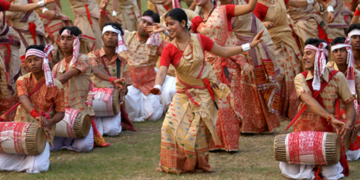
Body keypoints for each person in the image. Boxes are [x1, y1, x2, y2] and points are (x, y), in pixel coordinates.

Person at [153, 8, 263, 174]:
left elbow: (224, 51)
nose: (168, 28)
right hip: (183, 94)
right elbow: (162, 71)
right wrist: (158, 86)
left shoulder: (200, 40)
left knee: (198, 133)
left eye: (171, 24)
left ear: (183, 23)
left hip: (204, 94)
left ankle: (197, 165)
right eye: (166, 25)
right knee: (168, 127)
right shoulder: (169, 48)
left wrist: (249, 46)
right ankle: (172, 164)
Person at [192, 0, 279, 152]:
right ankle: (212, 142)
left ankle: (229, 143)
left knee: (228, 102)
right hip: (206, 65)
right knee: (209, 102)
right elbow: (187, 39)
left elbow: (250, 7)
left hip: (227, 62)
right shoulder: (197, 20)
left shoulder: (224, 10)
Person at [280, 38, 356, 179]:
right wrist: (330, 118)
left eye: (308, 53)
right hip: (304, 135)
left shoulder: (338, 77)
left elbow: (350, 104)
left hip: (327, 137)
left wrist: (349, 125)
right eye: (304, 54)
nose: (304, 57)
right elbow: (308, 100)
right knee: (296, 171)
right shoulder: (300, 78)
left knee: (330, 173)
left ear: (320, 55)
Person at [99, 1, 170, 122]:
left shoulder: (156, 42)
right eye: (143, 21)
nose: (144, 25)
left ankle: (158, 99)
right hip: (129, 84)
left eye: (149, 24)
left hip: (149, 83)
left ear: (155, 27)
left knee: (154, 116)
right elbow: (106, 30)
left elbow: (176, 50)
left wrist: (165, 31)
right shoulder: (125, 36)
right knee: (132, 114)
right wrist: (102, 12)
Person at [0, 44, 64, 173]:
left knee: (38, 168)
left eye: (36, 59)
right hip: (21, 128)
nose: (33, 63)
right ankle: (26, 163)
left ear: (44, 60)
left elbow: (61, 112)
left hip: (42, 131)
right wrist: (35, 115)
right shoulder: (22, 80)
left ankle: (28, 162)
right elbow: (23, 98)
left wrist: (50, 122)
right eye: (29, 61)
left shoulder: (56, 85)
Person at [253, 0, 315, 120]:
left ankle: (295, 108)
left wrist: (312, 0)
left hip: (288, 40)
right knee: (279, 74)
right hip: (273, 42)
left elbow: (297, 3)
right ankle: (277, 111)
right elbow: (253, 23)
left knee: (296, 69)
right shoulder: (258, 5)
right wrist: (263, 24)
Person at [52, 26, 109, 153]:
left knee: (84, 147)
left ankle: (69, 140)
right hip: (62, 115)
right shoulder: (56, 67)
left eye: (69, 39)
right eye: (62, 39)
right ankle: (67, 140)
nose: (64, 42)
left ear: (77, 41)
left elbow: (66, 76)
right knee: (51, 146)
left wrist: (47, 84)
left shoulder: (83, 59)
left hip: (81, 114)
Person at [88, 22, 135, 135]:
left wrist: (124, 90)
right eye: (107, 34)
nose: (110, 37)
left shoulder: (123, 61)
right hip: (94, 100)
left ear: (119, 38)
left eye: (114, 34)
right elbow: (95, 70)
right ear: (102, 37)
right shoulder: (93, 55)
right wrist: (112, 80)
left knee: (112, 131)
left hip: (112, 102)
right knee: (98, 131)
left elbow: (127, 87)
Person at [327, 37, 360, 161]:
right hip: (330, 110)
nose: (339, 54)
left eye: (342, 50)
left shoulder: (356, 75)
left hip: (350, 111)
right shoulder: (326, 71)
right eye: (335, 51)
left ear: (348, 52)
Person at [5, 0, 56, 73]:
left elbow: (26, 7)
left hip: (34, 27)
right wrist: (45, 4)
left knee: (41, 53)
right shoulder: (4, 5)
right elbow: (21, 9)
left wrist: (45, 9)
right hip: (20, 32)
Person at [32, 0, 73, 66]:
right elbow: (36, 2)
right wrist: (45, 11)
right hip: (43, 21)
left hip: (57, 18)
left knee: (65, 43)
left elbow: (58, 3)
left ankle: (67, 66)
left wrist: (59, 14)